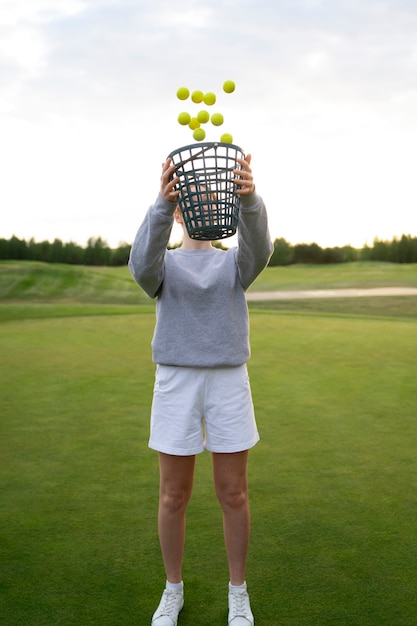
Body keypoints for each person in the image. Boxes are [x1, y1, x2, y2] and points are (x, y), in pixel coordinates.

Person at [128, 152, 273, 626]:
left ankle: (238, 594)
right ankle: (173, 590)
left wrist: (250, 199)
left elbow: (262, 249)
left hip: (229, 380)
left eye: (215, 194)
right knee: (173, 495)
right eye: (193, 196)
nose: (205, 200)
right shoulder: (163, 267)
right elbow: (139, 264)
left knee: (233, 494)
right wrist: (157, 203)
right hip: (176, 381)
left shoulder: (235, 265)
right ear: (179, 209)